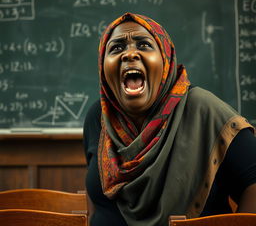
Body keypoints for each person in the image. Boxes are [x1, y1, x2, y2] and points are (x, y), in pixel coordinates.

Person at [83, 12, 256, 226]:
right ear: (103, 65)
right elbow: (96, 200)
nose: (129, 54)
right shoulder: (98, 117)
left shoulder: (206, 111)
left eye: (144, 45)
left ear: (166, 59)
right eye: (116, 48)